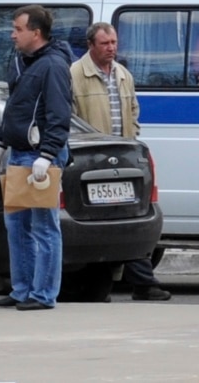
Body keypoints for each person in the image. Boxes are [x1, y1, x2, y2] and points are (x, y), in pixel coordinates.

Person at [69, 22, 171, 302]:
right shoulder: (76, 75)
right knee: (107, 220)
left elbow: (133, 110)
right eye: (105, 44)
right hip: (91, 157)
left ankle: (137, 283)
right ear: (91, 45)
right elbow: (70, 117)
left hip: (122, 155)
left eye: (114, 42)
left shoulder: (122, 74)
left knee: (130, 217)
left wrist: (131, 137)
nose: (111, 48)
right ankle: (131, 283)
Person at [0, 5, 73, 311]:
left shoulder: (53, 65)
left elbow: (59, 113)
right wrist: (1, 141)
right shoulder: (20, 60)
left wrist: (48, 155)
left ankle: (43, 294)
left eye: (18, 29)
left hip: (40, 155)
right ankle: (22, 289)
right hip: (19, 151)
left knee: (43, 226)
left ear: (35, 33)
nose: (13, 34)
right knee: (16, 225)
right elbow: (15, 106)